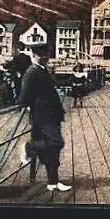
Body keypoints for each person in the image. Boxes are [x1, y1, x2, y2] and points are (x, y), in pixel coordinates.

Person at [18, 44, 72, 192]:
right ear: (34, 55)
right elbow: (23, 97)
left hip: (52, 115)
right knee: (56, 143)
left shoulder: (41, 70)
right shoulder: (31, 72)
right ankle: (29, 147)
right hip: (43, 116)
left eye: (47, 55)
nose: (45, 58)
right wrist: (32, 105)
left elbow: (49, 88)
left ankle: (53, 182)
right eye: (42, 55)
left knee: (52, 151)